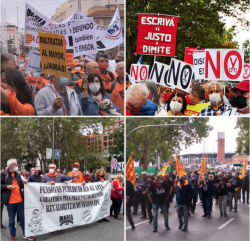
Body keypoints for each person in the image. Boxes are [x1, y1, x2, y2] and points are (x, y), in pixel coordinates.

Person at [1, 159, 35, 241]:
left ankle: (26, 234)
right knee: (11, 220)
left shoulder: (17, 174)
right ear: (11, 165)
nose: (17, 166)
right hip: (10, 202)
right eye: (16, 164)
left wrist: (24, 183)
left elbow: (20, 185)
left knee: (22, 219)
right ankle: (13, 235)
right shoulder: (3, 174)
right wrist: (7, 187)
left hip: (20, 201)